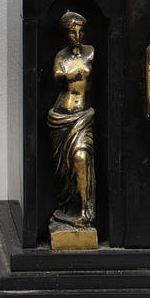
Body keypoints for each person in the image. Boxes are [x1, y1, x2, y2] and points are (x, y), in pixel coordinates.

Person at [48, 11, 95, 230]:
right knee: (65, 171)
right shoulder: (61, 56)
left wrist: (72, 70)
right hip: (61, 117)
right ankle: (70, 206)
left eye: (80, 31)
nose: (77, 36)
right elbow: (58, 75)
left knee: (81, 156)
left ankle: (86, 211)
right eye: (72, 32)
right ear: (66, 34)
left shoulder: (90, 52)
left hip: (83, 116)